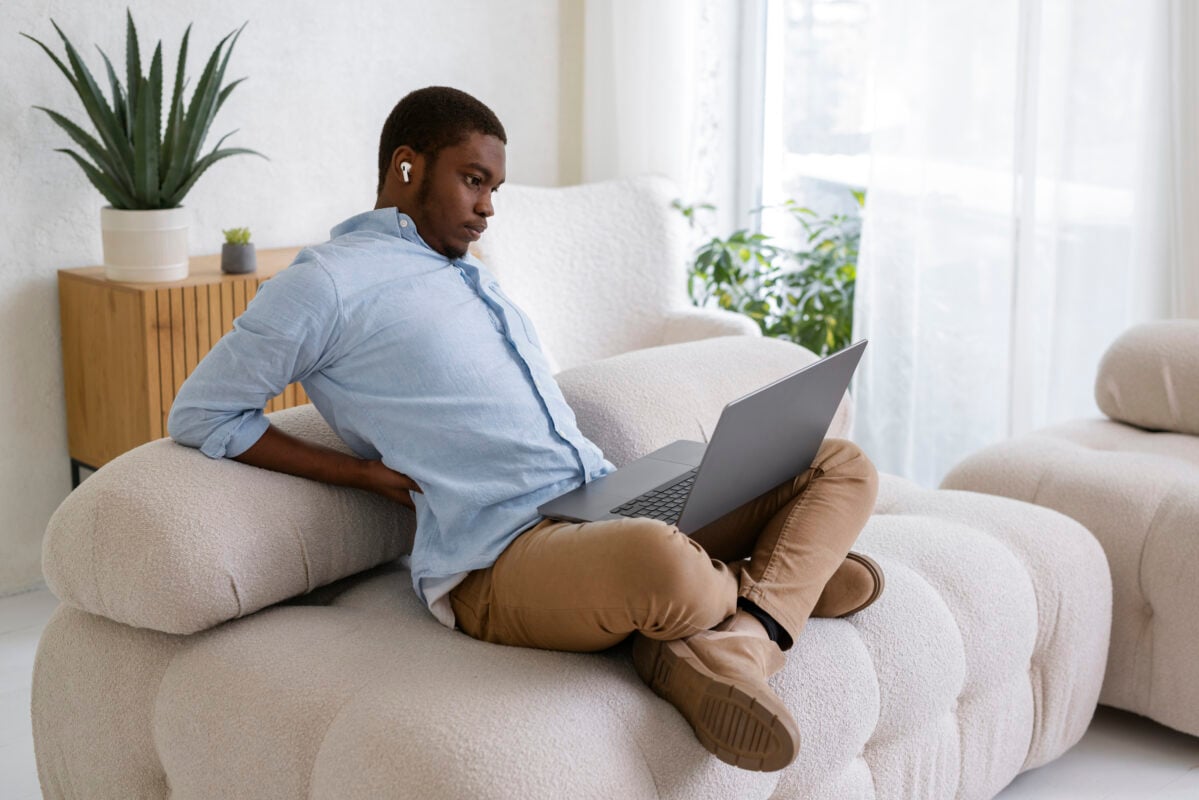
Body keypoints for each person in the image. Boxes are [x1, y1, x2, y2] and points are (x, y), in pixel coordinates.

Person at [168, 86, 881, 773]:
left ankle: (741, 633)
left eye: (494, 190)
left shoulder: (469, 275)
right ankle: (780, 585)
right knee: (662, 565)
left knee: (836, 463)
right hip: (499, 558)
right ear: (406, 166)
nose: (486, 208)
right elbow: (203, 413)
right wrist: (359, 474)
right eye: (473, 181)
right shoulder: (325, 282)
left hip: (599, 501)